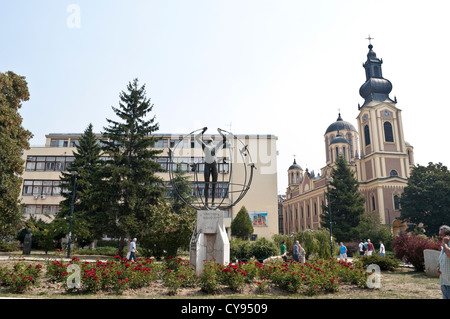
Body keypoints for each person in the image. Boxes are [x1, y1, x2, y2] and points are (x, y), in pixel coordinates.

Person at [195, 127, 227, 208]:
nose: (210, 142)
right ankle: (208, 202)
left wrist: (203, 131)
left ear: (211, 142)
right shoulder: (211, 146)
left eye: (209, 141)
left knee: (211, 184)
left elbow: (196, 138)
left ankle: (210, 202)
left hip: (212, 164)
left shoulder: (207, 146)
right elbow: (224, 139)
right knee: (210, 184)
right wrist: (219, 132)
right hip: (210, 164)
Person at [437, 225, 450, 299]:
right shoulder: (443, 247)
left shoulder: (446, 246)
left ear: (448, 235)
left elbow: (448, 254)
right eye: (439, 235)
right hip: (444, 282)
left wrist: (445, 243)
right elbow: (442, 260)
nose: (440, 237)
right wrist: (438, 267)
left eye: (441, 235)